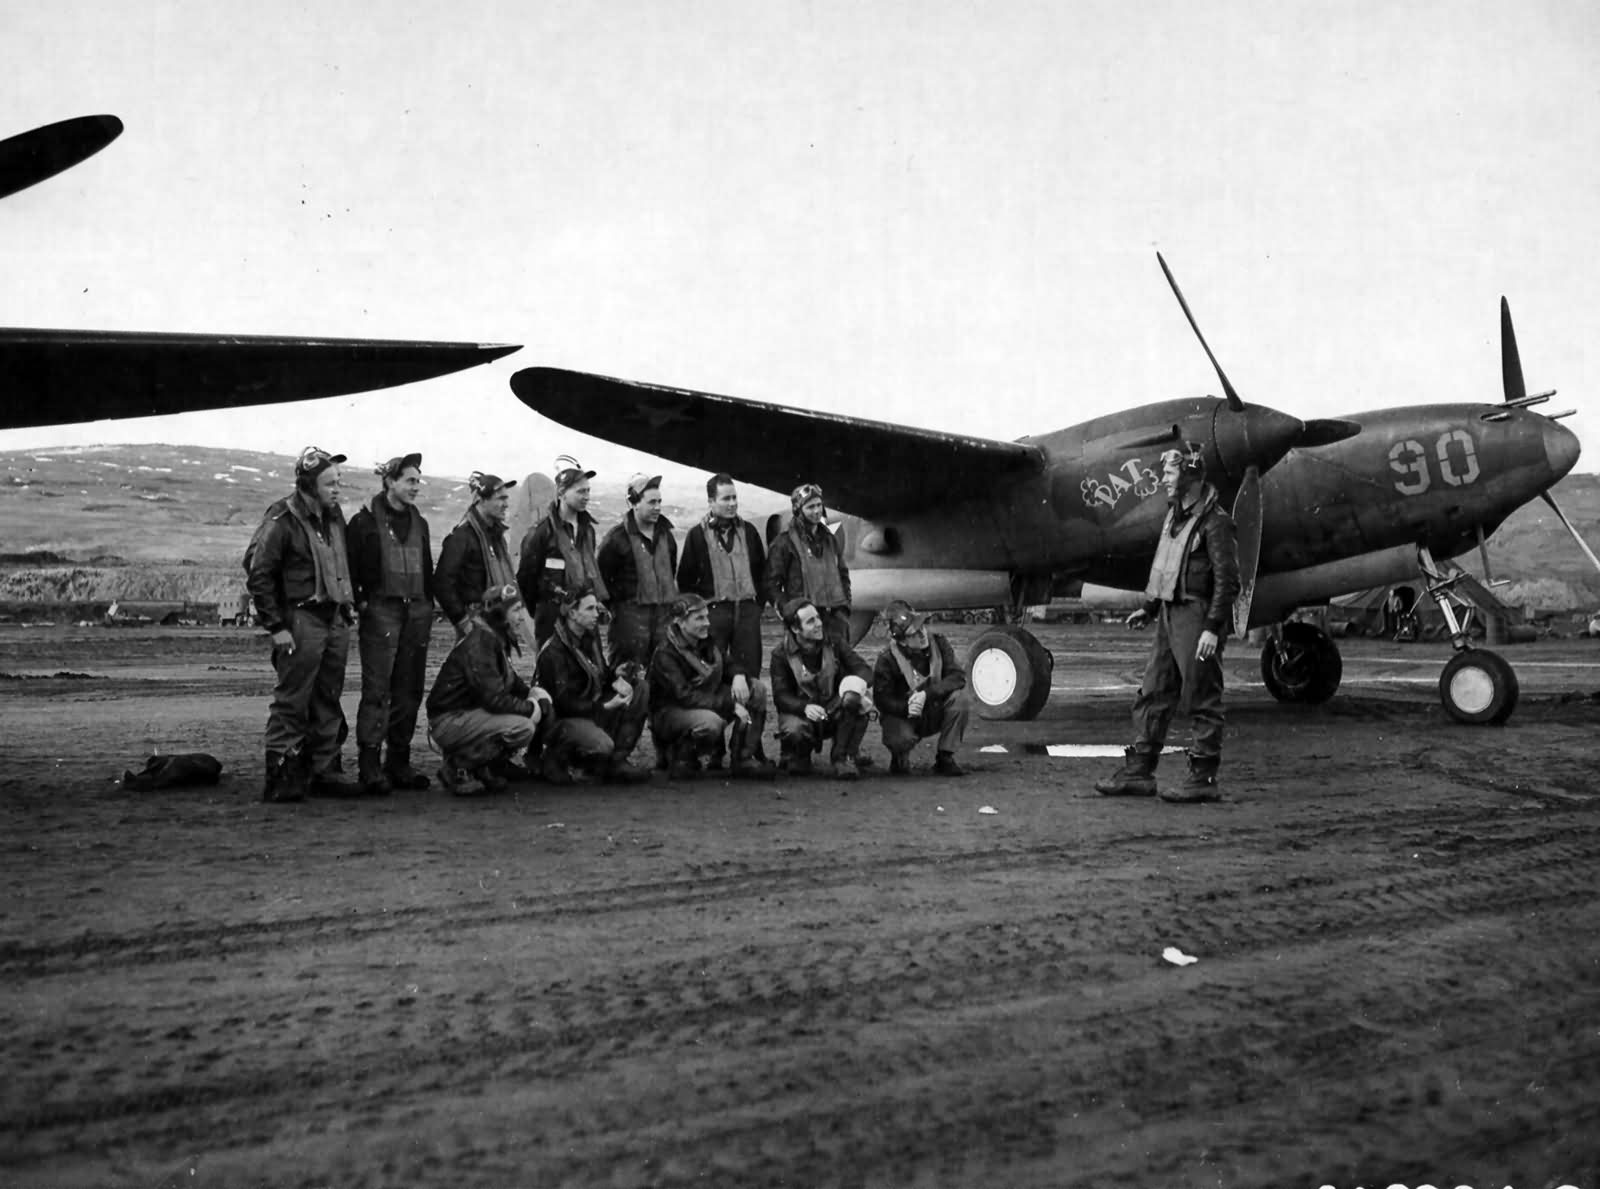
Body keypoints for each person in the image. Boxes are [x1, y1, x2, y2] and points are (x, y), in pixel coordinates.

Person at [1095, 446, 1240, 803]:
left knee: (1202, 695)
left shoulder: (1215, 521)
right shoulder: (1174, 516)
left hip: (1196, 615)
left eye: (1170, 475)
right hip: (1169, 614)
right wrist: (1148, 607)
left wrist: (1211, 626)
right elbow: (1166, 565)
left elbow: (1228, 581)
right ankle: (1139, 772)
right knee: (1154, 690)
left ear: (1190, 478)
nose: (1163, 480)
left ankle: (1203, 780)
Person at [244, 446, 360, 803]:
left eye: (339, 482)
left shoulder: (334, 515)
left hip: (333, 617)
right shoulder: (281, 519)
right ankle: (283, 774)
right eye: (329, 483)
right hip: (301, 619)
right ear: (309, 484)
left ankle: (325, 769)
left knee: (328, 696)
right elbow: (258, 571)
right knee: (293, 699)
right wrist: (276, 626)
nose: (337, 489)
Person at [345, 452, 435, 794]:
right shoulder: (364, 523)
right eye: (410, 480)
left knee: (409, 689)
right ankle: (369, 765)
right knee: (377, 690)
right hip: (381, 611)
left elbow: (427, 567)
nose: (416, 487)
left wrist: (426, 604)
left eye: (417, 481)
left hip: (416, 612)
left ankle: (399, 762)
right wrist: (363, 602)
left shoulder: (420, 524)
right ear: (390, 482)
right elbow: (353, 566)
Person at [425, 583, 551, 796]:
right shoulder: (482, 642)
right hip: (449, 719)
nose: (521, 617)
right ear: (500, 614)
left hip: (461, 715)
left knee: (522, 721)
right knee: (522, 727)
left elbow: (509, 682)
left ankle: (482, 767)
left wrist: (534, 693)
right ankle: (459, 766)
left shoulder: (492, 637)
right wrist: (531, 708)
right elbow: (494, 698)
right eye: (516, 610)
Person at [648, 593, 775, 780]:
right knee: (710, 724)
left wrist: (739, 676)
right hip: (670, 712)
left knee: (756, 689)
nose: (707, 622)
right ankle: (682, 756)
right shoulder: (665, 653)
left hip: (704, 701)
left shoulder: (706, 640)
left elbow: (728, 663)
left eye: (706, 616)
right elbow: (684, 696)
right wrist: (731, 705)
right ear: (681, 622)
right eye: (699, 618)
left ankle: (743, 757)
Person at [535, 581, 651, 784]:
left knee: (640, 688)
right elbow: (563, 703)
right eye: (589, 608)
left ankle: (617, 760)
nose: (596, 614)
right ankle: (558, 757)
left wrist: (617, 675)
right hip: (564, 720)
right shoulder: (554, 651)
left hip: (589, 710)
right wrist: (604, 707)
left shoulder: (589, 638)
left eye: (596, 608)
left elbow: (600, 677)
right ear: (571, 613)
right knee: (601, 744)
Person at [676, 472, 769, 726]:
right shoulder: (697, 535)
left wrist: (757, 607)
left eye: (735, 498)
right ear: (711, 501)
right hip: (713, 615)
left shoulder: (749, 532)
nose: (732, 504)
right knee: (713, 676)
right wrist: (700, 613)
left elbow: (762, 572)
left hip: (747, 612)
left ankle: (749, 750)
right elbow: (685, 580)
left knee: (750, 676)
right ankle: (714, 749)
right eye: (725, 498)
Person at [769, 597, 873, 780]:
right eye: (811, 621)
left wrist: (852, 688)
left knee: (856, 701)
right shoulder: (780, 654)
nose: (819, 624)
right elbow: (780, 696)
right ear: (795, 629)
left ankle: (843, 757)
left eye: (818, 618)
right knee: (795, 740)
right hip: (802, 713)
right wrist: (804, 708)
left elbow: (864, 670)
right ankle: (798, 755)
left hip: (834, 707)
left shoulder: (835, 642)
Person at [436, 472, 537, 654]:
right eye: (500, 498)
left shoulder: (496, 537)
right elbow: (443, 583)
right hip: (477, 623)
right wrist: (463, 621)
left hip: (498, 621)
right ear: (482, 500)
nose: (506, 504)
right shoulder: (462, 537)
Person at [871, 599, 970, 776]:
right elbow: (882, 700)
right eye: (914, 633)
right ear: (902, 641)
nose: (922, 633)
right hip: (905, 717)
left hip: (933, 709)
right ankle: (899, 756)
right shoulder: (887, 659)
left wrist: (927, 694)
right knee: (899, 741)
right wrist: (907, 707)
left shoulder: (939, 643)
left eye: (921, 627)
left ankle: (945, 757)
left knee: (960, 699)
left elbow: (958, 677)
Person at [519, 456, 608, 647]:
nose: (587, 497)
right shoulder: (541, 533)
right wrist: (544, 611)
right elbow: (526, 578)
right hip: (553, 616)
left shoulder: (587, 530)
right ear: (561, 492)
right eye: (580, 491)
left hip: (584, 615)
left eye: (588, 491)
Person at [597, 473, 679, 667]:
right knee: (627, 680)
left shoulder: (667, 538)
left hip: (663, 623)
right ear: (634, 503)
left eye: (659, 501)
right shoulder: (615, 540)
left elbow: (671, 571)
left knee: (663, 677)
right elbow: (602, 581)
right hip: (628, 627)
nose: (658, 507)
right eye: (651, 502)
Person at [765, 483, 852, 646]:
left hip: (836, 620)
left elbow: (843, 575)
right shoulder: (784, 544)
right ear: (799, 510)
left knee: (840, 667)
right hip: (804, 621)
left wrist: (845, 608)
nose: (817, 511)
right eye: (810, 507)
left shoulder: (830, 539)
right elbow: (771, 585)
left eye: (819, 505)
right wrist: (789, 612)